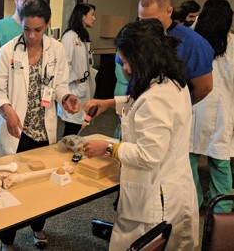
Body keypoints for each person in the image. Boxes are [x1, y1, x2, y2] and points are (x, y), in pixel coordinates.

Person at [83, 19, 199, 250]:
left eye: (127, 62)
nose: (125, 68)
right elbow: (140, 105)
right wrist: (108, 103)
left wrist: (107, 148)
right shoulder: (169, 81)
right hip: (171, 185)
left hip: (157, 201)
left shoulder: (157, 97)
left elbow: (148, 155)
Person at [0, 0, 79, 251]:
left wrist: (66, 97)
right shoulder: (8, 51)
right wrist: (7, 110)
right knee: (12, 186)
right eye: (27, 29)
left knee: (41, 187)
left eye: (38, 30)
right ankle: (7, 239)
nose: (31, 36)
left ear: (47, 24)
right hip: (16, 132)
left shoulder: (56, 49)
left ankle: (38, 226)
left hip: (43, 132)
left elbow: (60, 84)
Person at [190, 0, 234, 213]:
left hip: (195, 108)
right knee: (221, 165)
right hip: (223, 113)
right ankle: (222, 211)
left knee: (188, 162)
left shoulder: (193, 41)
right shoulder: (233, 44)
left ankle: (193, 202)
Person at [137, 0, 213, 105]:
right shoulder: (137, 34)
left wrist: (180, 107)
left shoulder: (192, 42)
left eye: (153, 21)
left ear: (169, 12)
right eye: (142, 20)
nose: (146, 26)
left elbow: (204, 87)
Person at [57, 3, 97, 136]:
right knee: (72, 127)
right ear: (83, 16)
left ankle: (69, 149)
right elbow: (63, 64)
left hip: (85, 87)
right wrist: (76, 80)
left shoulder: (82, 36)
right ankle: (64, 152)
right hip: (76, 88)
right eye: (92, 14)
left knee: (78, 126)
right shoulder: (70, 37)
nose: (94, 18)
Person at [0, 0, 35, 81]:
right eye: (24, 1)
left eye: (30, 2)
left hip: (28, 78)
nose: (27, 5)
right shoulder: (1, 25)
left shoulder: (35, 27)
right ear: (16, 0)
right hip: (5, 78)